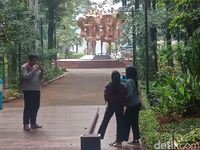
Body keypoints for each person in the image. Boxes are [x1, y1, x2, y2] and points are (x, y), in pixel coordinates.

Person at [97, 70, 127, 148]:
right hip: (119, 107)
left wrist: (112, 100)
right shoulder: (122, 87)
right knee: (120, 123)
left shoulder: (108, 86)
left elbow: (106, 97)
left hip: (110, 106)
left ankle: (97, 138)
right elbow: (125, 98)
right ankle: (119, 141)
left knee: (105, 122)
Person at [21, 54, 43, 131]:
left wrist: (41, 71)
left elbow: (39, 78)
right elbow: (26, 77)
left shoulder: (35, 67)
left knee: (36, 106)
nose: (35, 62)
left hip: (37, 89)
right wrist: (34, 71)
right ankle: (26, 124)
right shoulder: (24, 67)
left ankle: (33, 123)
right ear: (29, 60)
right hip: (28, 90)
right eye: (34, 60)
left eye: (36, 60)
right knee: (28, 107)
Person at [124, 66, 141, 144]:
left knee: (127, 120)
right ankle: (136, 139)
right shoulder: (134, 80)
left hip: (132, 105)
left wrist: (125, 100)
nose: (125, 73)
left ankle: (124, 138)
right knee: (134, 121)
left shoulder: (129, 81)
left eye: (126, 72)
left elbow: (130, 94)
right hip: (136, 104)